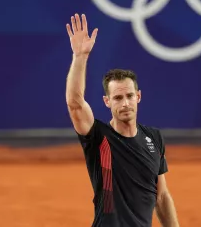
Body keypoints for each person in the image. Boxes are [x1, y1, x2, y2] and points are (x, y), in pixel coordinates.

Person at [65, 13, 180, 227]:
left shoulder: (153, 138)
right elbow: (75, 103)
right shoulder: (97, 137)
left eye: (129, 96)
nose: (125, 103)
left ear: (138, 96)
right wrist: (80, 57)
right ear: (107, 101)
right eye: (118, 98)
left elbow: (162, 196)